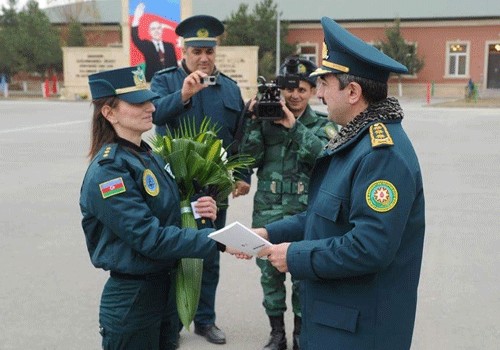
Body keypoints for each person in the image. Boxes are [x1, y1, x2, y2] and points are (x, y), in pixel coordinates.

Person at [255, 17, 426, 350]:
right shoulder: (355, 140)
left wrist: (296, 256)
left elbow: (369, 247)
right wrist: (271, 233)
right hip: (337, 319)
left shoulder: (382, 154)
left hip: (359, 329)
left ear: (353, 92)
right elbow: (327, 216)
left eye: (324, 84)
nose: (317, 94)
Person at [79, 66, 240, 350]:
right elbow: (149, 238)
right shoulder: (109, 172)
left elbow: (169, 213)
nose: (151, 107)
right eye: (138, 102)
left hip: (165, 291)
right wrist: (220, 241)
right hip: (134, 298)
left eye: (150, 100)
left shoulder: (147, 156)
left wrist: (198, 211)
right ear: (109, 112)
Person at [150, 14, 251, 345]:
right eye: (197, 51)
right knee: (171, 254)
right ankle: (171, 322)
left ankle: (205, 320)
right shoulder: (165, 82)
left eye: (209, 51)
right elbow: (155, 116)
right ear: (184, 50)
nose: (204, 58)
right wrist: (184, 94)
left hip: (213, 189)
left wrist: (242, 174)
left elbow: (240, 138)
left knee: (209, 253)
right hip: (174, 189)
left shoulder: (231, 88)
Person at [239, 56, 337, 350]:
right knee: (269, 276)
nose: (294, 96)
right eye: (289, 90)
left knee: (302, 275)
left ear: (311, 92)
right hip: (267, 213)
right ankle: (277, 332)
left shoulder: (323, 124)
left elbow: (323, 157)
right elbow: (249, 159)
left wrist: (293, 126)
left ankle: (300, 334)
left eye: (303, 90)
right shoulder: (264, 121)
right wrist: (254, 122)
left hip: (303, 213)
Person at [131, 2, 177, 81]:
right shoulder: (147, 46)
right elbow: (135, 38)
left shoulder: (169, 46)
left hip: (170, 82)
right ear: (149, 32)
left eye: (158, 28)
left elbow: (174, 66)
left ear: (162, 30)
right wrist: (136, 18)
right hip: (152, 82)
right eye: (153, 29)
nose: (156, 31)